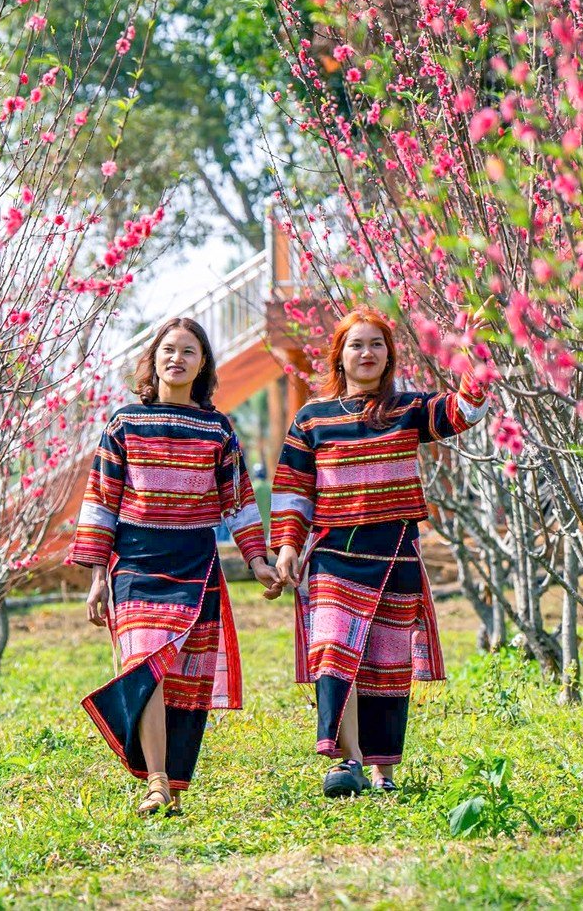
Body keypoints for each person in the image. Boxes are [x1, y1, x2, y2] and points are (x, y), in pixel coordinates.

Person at [267, 307, 490, 796]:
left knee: (386, 665)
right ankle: (344, 762)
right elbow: (292, 490)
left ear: (389, 356)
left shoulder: (408, 410)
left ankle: (383, 771)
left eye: (376, 345)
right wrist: (287, 547)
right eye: (356, 345)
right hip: (332, 555)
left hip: (394, 554)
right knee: (332, 649)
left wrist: (472, 353)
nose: (366, 353)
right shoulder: (312, 419)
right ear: (340, 357)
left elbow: (467, 409)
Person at [68, 317, 279, 815]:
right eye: (168, 349)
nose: (176, 358)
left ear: (202, 363)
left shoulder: (217, 428)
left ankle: (171, 783)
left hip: (195, 565)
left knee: (182, 678)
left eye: (189, 351)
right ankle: (156, 782)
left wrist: (258, 559)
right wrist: (98, 575)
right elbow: (101, 499)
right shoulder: (124, 424)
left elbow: (240, 502)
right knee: (145, 664)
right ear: (153, 358)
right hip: (135, 563)